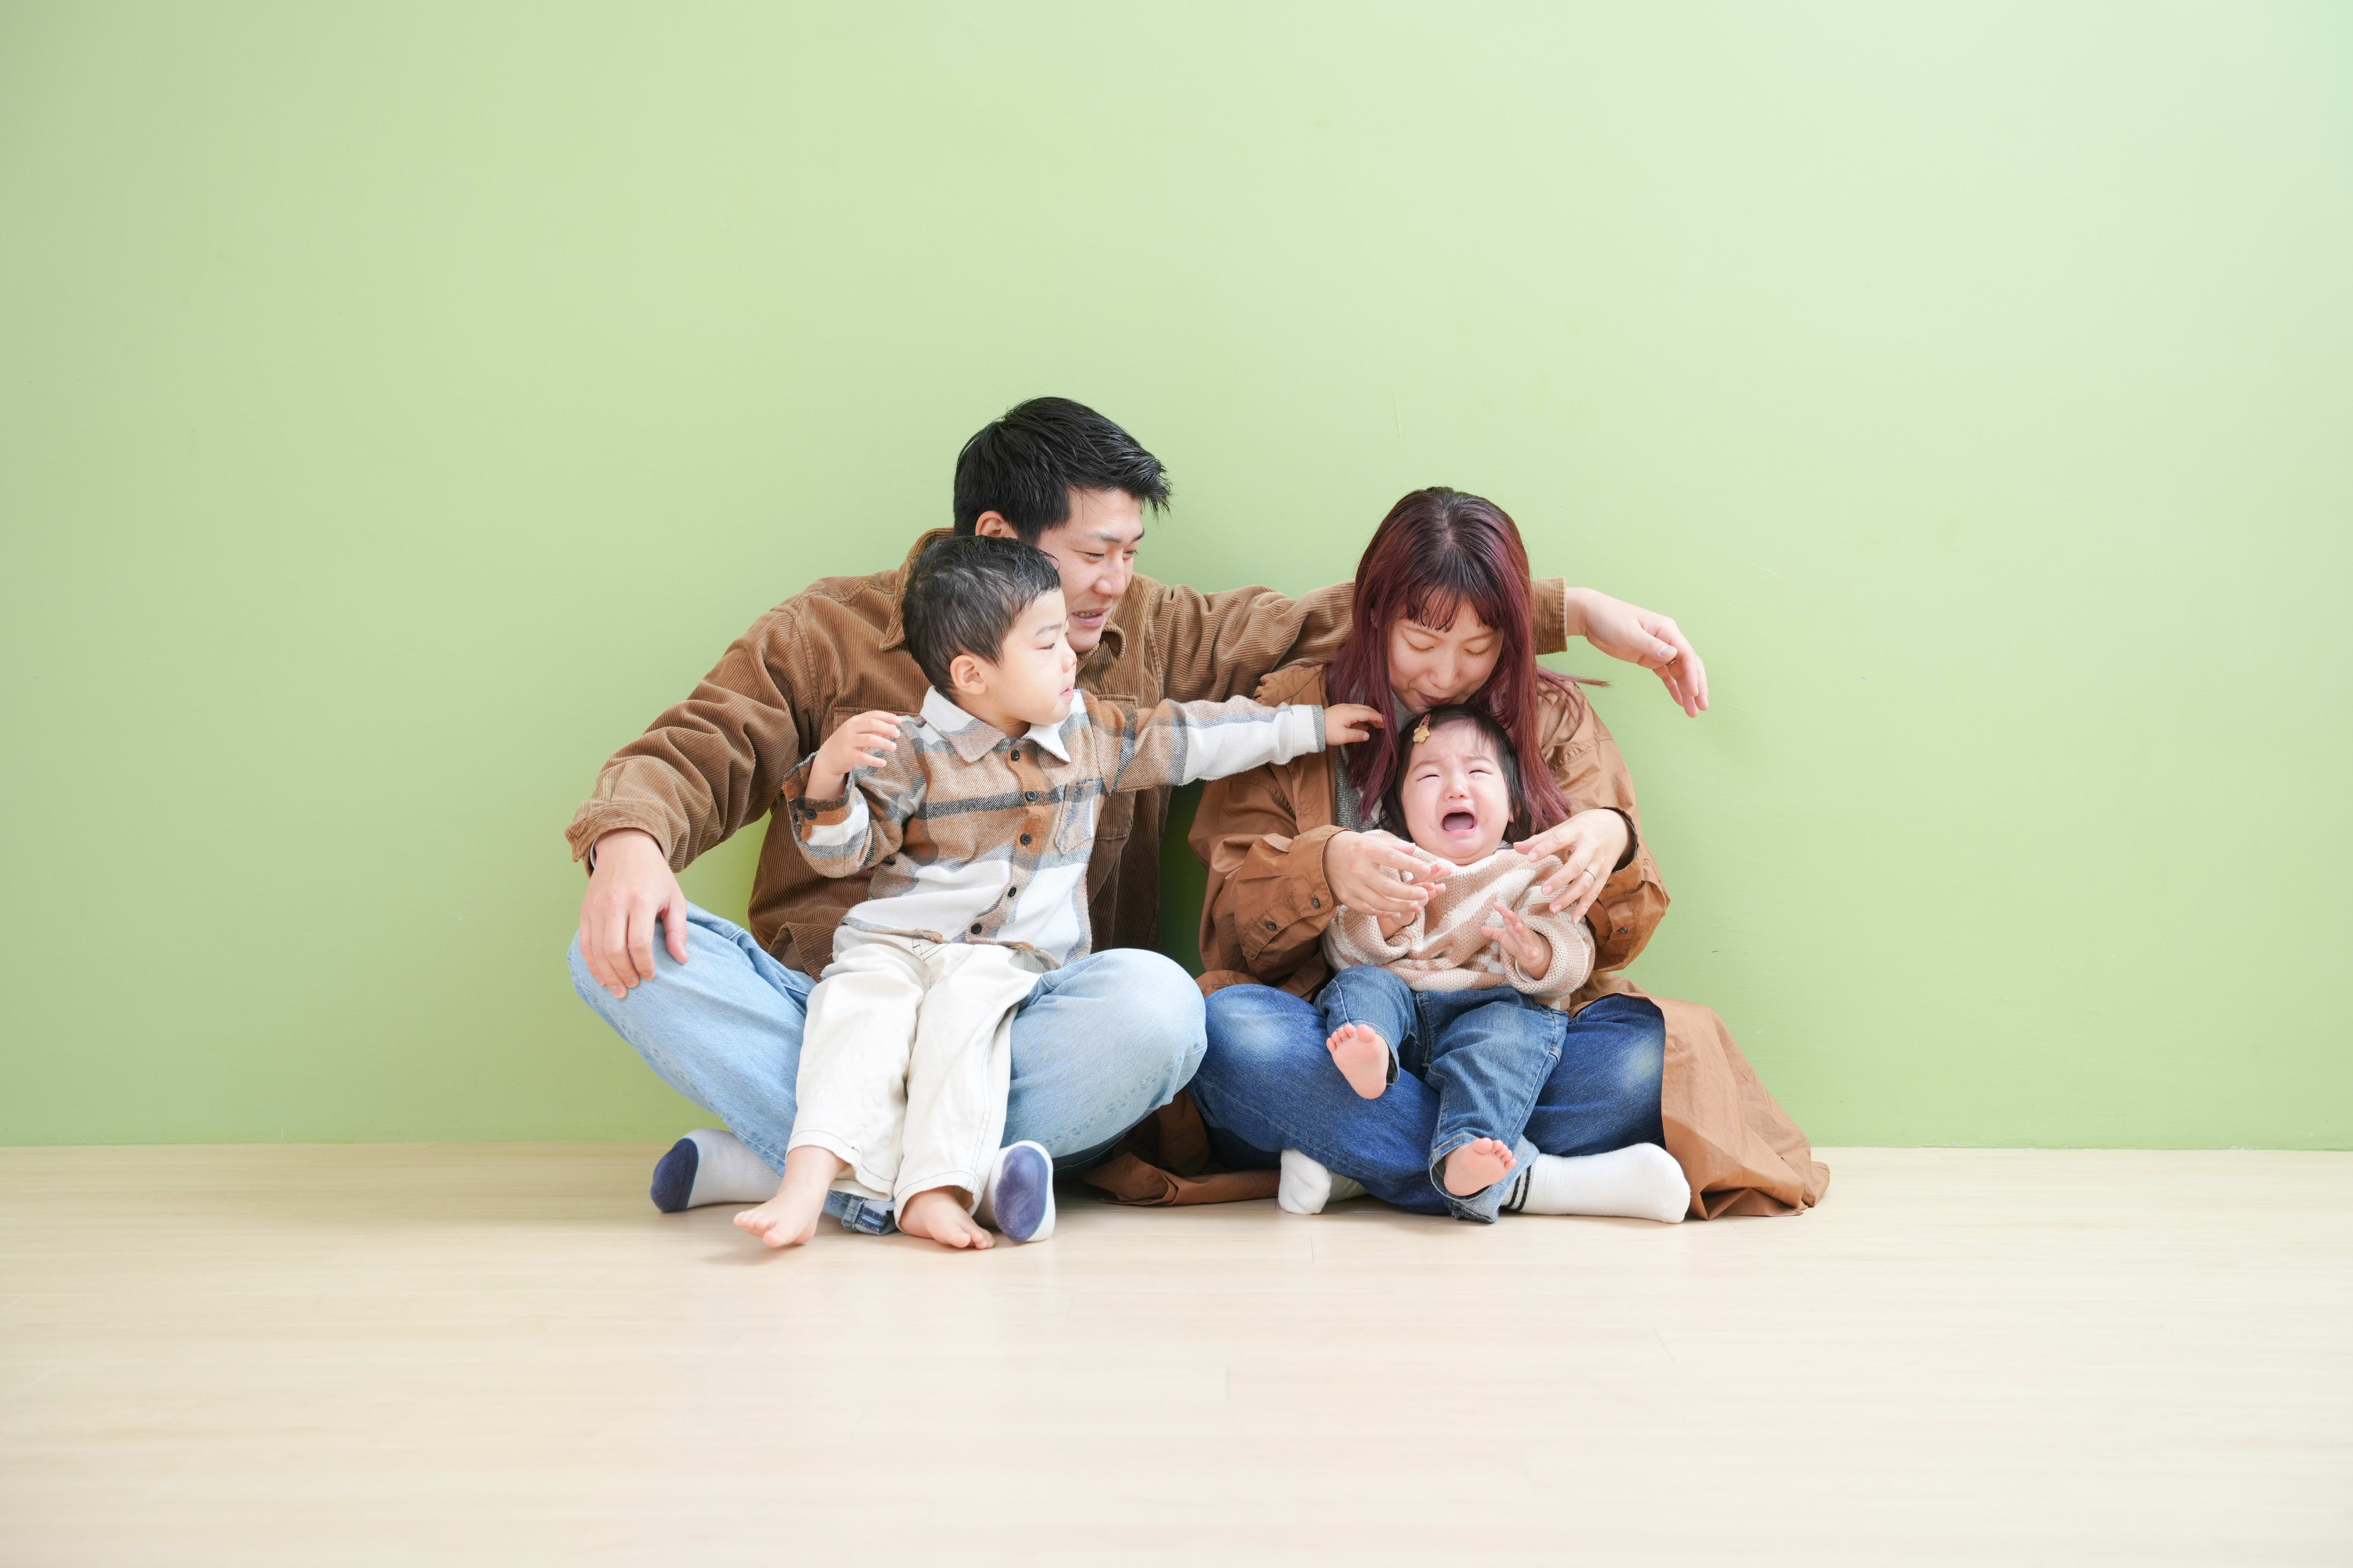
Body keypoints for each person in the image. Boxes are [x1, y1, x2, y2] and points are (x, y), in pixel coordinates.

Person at [566, 397, 1708, 1218]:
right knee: (616, 953)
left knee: (1164, 1013)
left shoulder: (1145, 635)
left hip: (1028, 1020)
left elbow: (1335, 620)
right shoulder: (827, 631)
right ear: (998, 543)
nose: (1117, 581)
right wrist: (629, 842)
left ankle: (804, 1160)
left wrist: (1567, 608)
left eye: (1131, 552)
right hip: (844, 1004)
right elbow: (701, 745)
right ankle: (915, 1170)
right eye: (1095, 554)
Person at [1160, 487, 1827, 1222]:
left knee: (1644, 1059)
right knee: (1229, 1033)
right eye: (1421, 643)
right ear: (1373, 614)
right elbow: (1230, 925)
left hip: (1507, 1037)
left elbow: (1612, 943)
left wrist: (1613, 840)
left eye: (1478, 650)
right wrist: (1323, 866)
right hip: (1354, 1031)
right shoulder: (1296, 714)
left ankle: (1356, 1155)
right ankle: (1526, 1180)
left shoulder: (1553, 718)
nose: (1446, 675)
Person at [731, 536, 1378, 1249]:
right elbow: (842, 853)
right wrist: (827, 781)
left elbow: (1196, 739)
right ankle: (805, 1183)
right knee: (856, 1018)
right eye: (1047, 643)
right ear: (972, 673)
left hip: (1000, 964)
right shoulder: (912, 750)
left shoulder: (1093, 736)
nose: (1072, 654)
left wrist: (1310, 726)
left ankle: (931, 1189)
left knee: (964, 1033)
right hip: (896, 941)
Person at [1312, 703, 1689, 1222]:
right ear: (1399, 809)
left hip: (1492, 1008)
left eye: (1476, 772)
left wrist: (1538, 956)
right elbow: (1340, 947)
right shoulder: (1389, 860)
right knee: (1357, 988)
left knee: (1515, 1043)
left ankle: (1453, 1152)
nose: (1455, 788)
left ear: (1512, 804)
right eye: (1428, 775)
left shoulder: (1530, 868)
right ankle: (1369, 1053)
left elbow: (1575, 952)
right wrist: (1381, 926)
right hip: (1399, 1022)